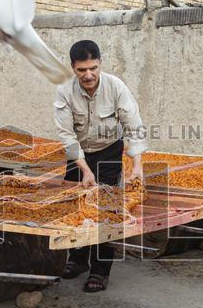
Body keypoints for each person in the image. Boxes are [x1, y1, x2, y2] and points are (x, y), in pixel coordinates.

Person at [53, 39, 147, 293]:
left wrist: (136, 164)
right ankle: (78, 259)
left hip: (108, 151)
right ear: (73, 68)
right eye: (82, 70)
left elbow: (134, 125)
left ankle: (100, 270)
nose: (88, 75)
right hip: (80, 155)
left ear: (100, 64)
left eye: (93, 68)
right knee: (75, 206)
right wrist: (84, 169)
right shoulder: (64, 91)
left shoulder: (115, 87)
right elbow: (67, 136)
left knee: (106, 210)